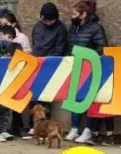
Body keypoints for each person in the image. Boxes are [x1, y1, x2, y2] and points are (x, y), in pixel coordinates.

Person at [65, 0, 109, 145]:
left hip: (91, 68)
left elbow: (102, 47)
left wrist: (88, 58)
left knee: (89, 100)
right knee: (75, 97)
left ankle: (88, 130)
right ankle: (74, 128)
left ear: (83, 14)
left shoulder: (96, 28)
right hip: (76, 68)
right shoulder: (74, 28)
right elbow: (69, 45)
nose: (72, 16)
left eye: (75, 13)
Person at [23, 2, 68, 140]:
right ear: (41, 17)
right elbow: (36, 42)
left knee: (47, 97)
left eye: (51, 20)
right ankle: (33, 126)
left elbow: (60, 49)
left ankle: (45, 127)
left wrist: (47, 58)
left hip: (50, 65)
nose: (48, 23)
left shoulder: (60, 28)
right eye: (45, 20)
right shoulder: (37, 26)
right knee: (34, 96)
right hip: (36, 63)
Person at [0, 42, 20, 142]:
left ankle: (3, 130)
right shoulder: (0, 62)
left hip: (9, 91)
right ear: (8, 54)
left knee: (6, 112)